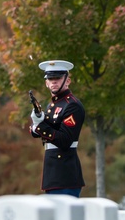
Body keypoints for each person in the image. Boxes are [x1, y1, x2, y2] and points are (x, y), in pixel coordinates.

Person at [29, 60, 85, 197]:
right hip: (53, 174)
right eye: (50, 78)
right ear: (46, 83)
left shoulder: (72, 105)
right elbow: (50, 131)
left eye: (58, 78)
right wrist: (37, 124)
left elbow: (64, 140)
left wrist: (39, 126)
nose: (54, 81)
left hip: (65, 175)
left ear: (67, 81)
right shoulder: (52, 105)